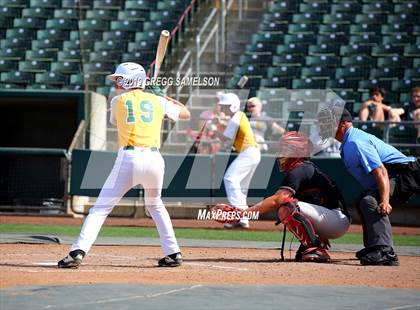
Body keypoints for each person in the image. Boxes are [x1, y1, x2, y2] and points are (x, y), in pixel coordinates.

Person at [58, 62, 190, 268]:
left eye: (120, 79)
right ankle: (173, 252)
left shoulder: (119, 100)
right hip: (155, 160)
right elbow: (185, 113)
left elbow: (116, 120)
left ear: (129, 80)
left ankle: (77, 251)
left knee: (100, 209)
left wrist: (154, 97)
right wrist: (163, 97)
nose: (117, 83)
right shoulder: (157, 100)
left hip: (130, 159)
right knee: (155, 205)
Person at [317, 107, 420, 266]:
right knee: (362, 200)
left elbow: (381, 171)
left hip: (405, 173)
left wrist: (384, 201)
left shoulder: (355, 142)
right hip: (398, 173)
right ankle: (374, 247)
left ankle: (385, 251)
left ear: (343, 124)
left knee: (369, 201)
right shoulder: (349, 141)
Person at [214, 93, 261, 229]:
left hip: (249, 153)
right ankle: (243, 220)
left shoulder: (236, 117)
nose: (223, 110)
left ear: (233, 106)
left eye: (225, 107)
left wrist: (214, 128)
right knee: (240, 188)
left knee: (230, 179)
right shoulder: (238, 116)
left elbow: (225, 139)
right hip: (251, 153)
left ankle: (239, 215)